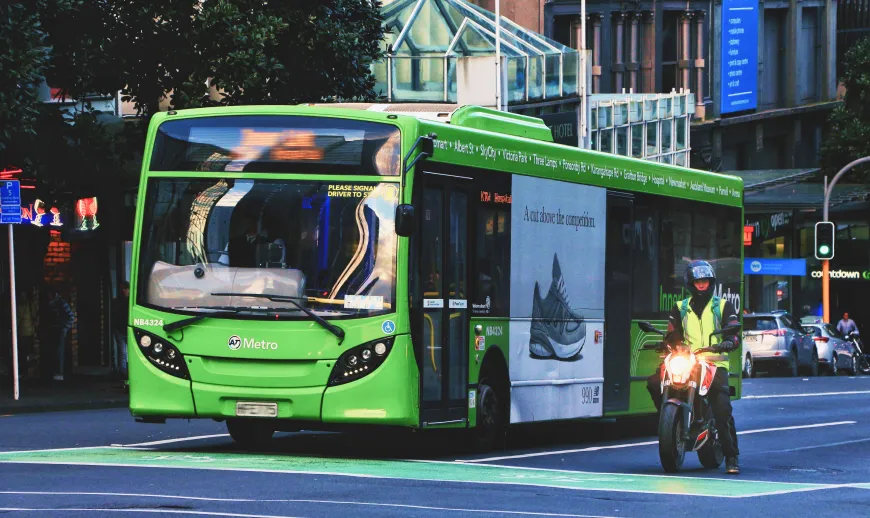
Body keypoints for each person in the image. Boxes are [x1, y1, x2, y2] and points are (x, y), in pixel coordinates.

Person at [646, 260, 742, 474]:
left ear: (711, 283)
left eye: (705, 281)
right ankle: (669, 421)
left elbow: (733, 332)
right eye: (697, 282)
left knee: (722, 409)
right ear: (690, 283)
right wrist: (668, 342)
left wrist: (729, 341)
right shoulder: (680, 307)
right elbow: (673, 332)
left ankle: (731, 456)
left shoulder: (723, 306)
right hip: (687, 360)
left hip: (713, 364)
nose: (701, 285)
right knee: (654, 382)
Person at [43, 287, 75, 381]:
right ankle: (53, 372)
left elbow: (71, 316)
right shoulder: (49, 304)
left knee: (59, 351)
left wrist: (65, 328)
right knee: (52, 351)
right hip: (51, 330)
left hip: (59, 330)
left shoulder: (61, 303)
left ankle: (59, 372)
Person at [112, 282, 130, 380]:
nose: (125, 291)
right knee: (126, 352)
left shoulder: (116, 301)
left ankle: (123, 372)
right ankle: (125, 371)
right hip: (125, 329)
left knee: (122, 352)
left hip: (120, 329)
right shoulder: (130, 302)